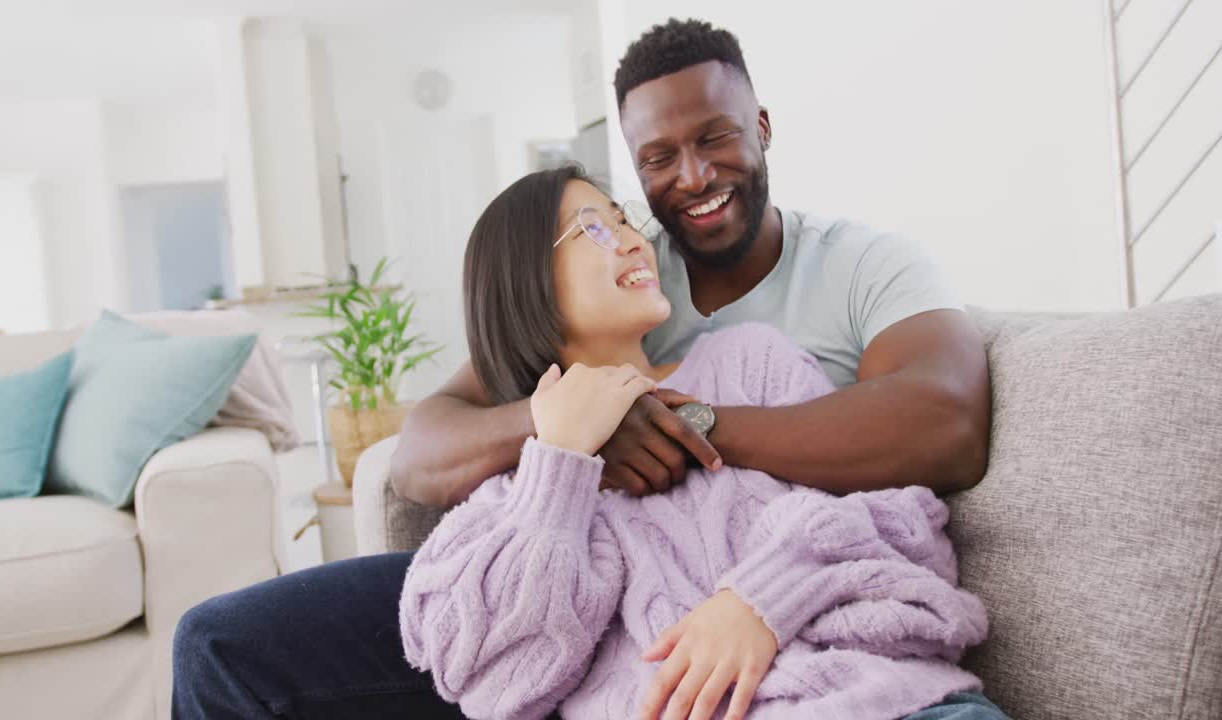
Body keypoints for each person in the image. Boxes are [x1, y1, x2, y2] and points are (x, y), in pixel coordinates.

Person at [172, 17, 993, 720]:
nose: (690, 181)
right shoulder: (627, 296)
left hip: (839, 669)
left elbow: (939, 438)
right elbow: (423, 454)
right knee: (218, 644)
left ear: (763, 127)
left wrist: (684, 429)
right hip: (608, 624)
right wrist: (565, 440)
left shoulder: (829, 295)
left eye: (715, 137)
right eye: (655, 164)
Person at [398, 164, 1003, 720]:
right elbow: (490, 680)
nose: (636, 239)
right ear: (526, 282)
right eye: (594, 229)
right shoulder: (511, 490)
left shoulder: (752, 364)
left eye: (623, 219)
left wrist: (763, 601)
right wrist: (558, 469)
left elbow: (904, 518)